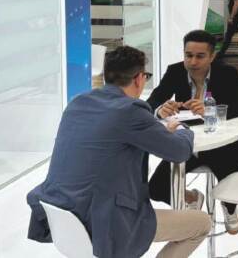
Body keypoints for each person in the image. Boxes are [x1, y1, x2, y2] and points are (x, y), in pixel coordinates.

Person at [27, 46, 211, 258]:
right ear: (139, 79)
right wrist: (182, 129)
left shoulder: (77, 103)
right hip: (104, 222)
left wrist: (157, 128)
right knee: (201, 224)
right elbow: (179, 152)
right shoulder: (131, 110)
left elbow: (112, 136)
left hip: (62, 213)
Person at [147, 30, 238, 235]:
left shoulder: (227, 73)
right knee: (155, 188)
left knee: (230, 187)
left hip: (223, 144)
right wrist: (160, 109)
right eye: (188, 55)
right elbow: (153, 100)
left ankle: (229, 208)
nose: (193, 62)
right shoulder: (175, 71)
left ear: (212, 56)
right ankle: (192, 197)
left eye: (200, 56)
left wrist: (211, 110)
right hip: (187, 144)